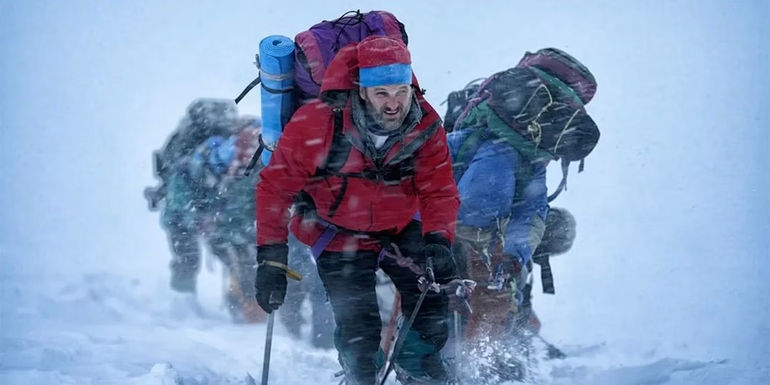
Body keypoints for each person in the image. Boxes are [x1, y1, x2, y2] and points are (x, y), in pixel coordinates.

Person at [254, 36, 460, 384]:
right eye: (382, 93)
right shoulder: (317, 123)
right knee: (358, 330)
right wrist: (271, 258)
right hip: (335, 232)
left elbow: (439, 190)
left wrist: (439, 239)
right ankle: (361, 373)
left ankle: (418, 366)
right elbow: (274, 189)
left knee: (431, 304)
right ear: (362, 91)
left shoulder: (424, 125)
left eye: (401, 91)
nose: (394, 104)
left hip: (400, 226)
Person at [446, 48, 592, 381]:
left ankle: (445, 363)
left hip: (445, 225)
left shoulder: (477, 138)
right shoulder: (531, 161)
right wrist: (515, 256)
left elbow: (429, 161)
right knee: (493, 301)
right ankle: (480, 366)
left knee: (431, 295)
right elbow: (530, 213)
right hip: (487, 238)